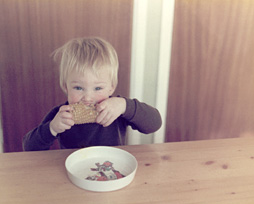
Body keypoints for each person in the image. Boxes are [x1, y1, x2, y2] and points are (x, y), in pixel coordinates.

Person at [23, 37, 161, 150]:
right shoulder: (61, 115)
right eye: (78, 88)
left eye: (98, 88)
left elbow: (154, 124)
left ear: (111, 88)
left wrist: (125, 106)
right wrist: (52, 128)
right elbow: (29, 148)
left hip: (112, 169)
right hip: (74, 173)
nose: (88, 98)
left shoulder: (117, 110)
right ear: (66, 87)